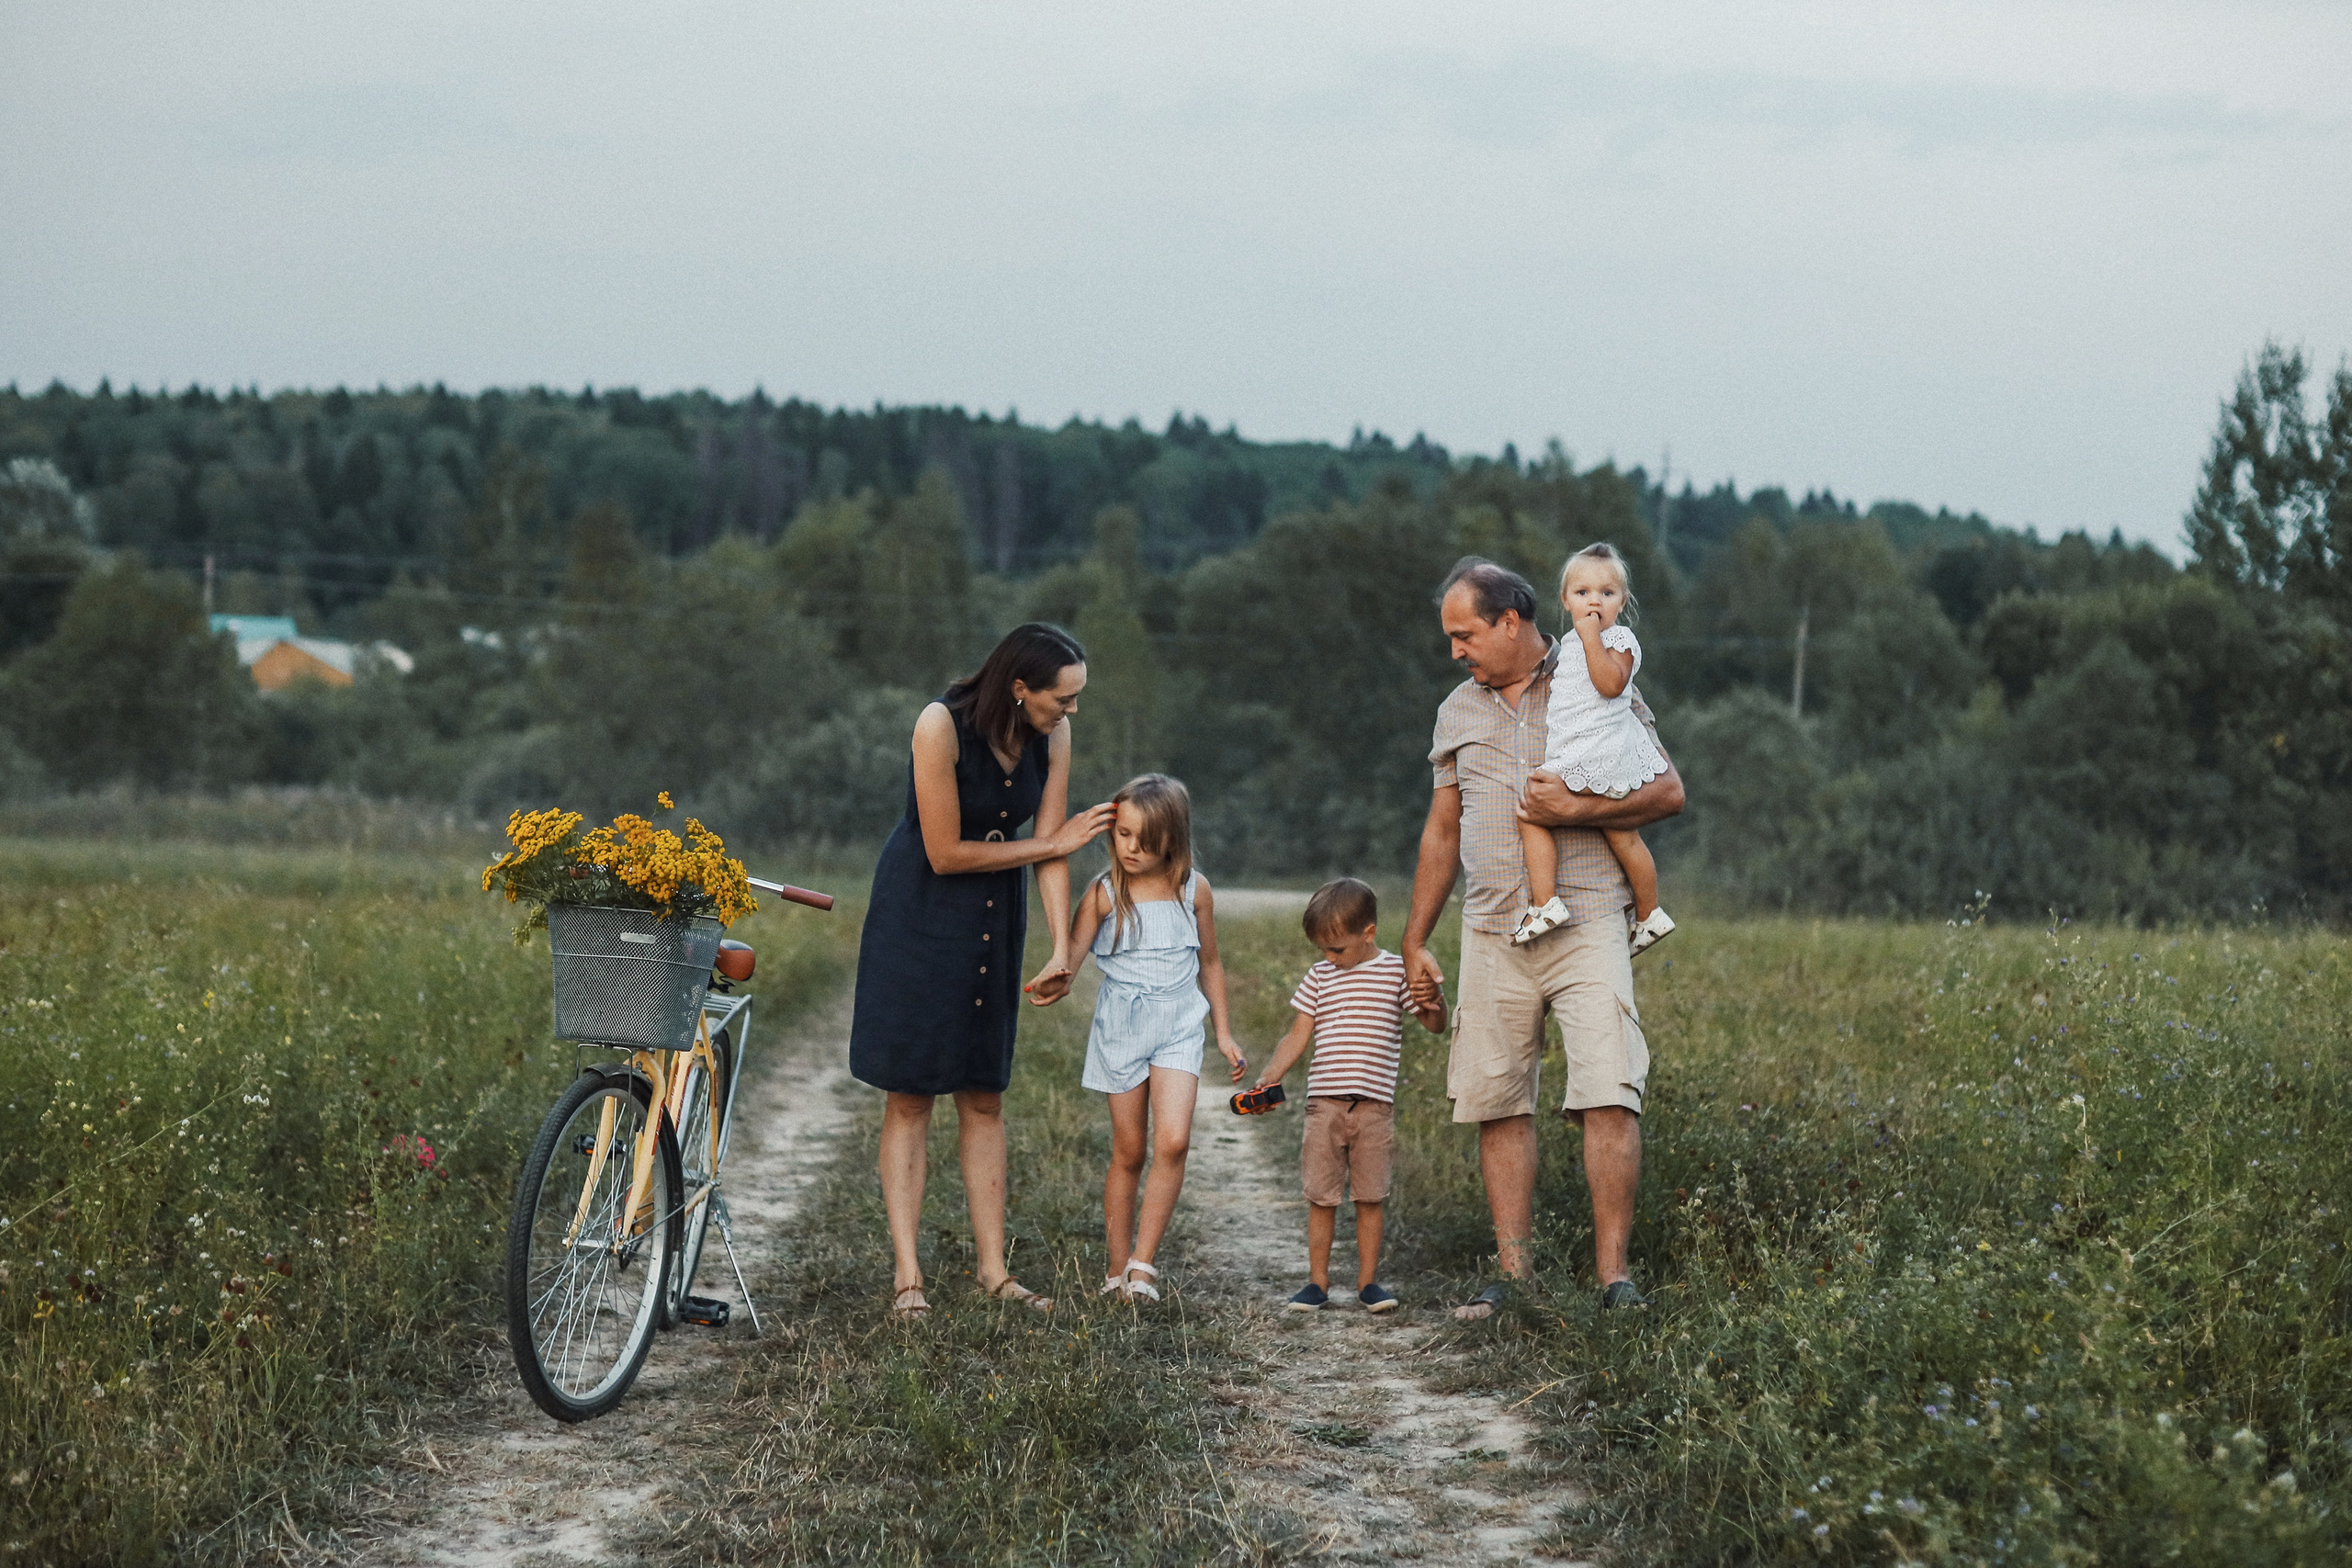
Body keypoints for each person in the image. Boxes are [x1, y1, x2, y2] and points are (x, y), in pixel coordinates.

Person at [1400, 558, 1684, 1322]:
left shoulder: (1599, 677)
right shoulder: (1456, 710)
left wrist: (1574, 806)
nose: (1456, 650)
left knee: (1609, 1091)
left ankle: (1614, 1280)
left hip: (1590, 917)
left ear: (1512, 621)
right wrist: (1413, 938)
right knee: (1498, 1100)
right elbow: (1441, 829)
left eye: (1465, 635)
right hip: (1492, 926)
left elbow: (1667, 789)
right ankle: (1514, 1277)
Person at [848, 623, 1116, 1319]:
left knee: (984, 1094)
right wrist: (1042, 845)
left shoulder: (1052, 735)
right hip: (921, 911)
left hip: (997, 915)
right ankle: (909, 1274)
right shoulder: (939, 725)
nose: (1073, 710)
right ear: (1020, 688)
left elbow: (1052, 848)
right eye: (1064, 697)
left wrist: (1061, 945)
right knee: (910, 1094)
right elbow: (942, 851)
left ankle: (993, 1270)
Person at [1032, 773, 1244, 1304]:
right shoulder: (1104, 894)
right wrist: (1054, 978)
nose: (1129, 848)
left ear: (1171, 839)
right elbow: (1072, 959)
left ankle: (1144, 1267)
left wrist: (1222, 1032)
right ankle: (1116, 1267)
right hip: (1121, 1030)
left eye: (1143, 840)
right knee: (1129, 1151)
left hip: (1178, 1026)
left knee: (1172, 1141)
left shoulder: (1195, 889)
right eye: (1122, 835)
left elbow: (1210, 962)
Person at [1247, 877, 1446, 1314]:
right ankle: (1317, 1283)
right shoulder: (1319, 976)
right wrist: (1270, 1074)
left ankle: (1368, 1283)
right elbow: (1298, 1034)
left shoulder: (1397, 972)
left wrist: (1436, 1000)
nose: (1328, 958)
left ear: (1368, 933)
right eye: (1322, 949)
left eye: (1336, 949)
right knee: (1322, 1196)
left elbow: (1433, 1025)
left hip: (1374, 1107)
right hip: (1325, 1104)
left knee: (1370, 1196)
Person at [1510, 543, 1675, 955]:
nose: (1594, 601)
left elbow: (1610, 684)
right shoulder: (1570, 641)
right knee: (1622, 834)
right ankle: (1650, 914)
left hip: (1599, 752)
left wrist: (1589, 638)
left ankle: (1545, 903)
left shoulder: (1619, 639)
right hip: (1584, 749)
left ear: (1622, 601)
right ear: (1565, 600)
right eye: (1582, 593)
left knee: (1531, 810)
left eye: (1607, 592)